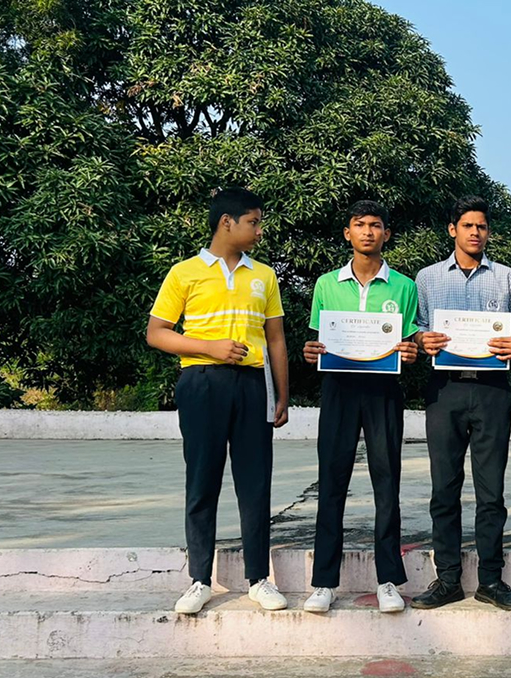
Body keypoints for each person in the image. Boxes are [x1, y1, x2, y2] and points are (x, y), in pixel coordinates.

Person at [146, 187, 290, 614]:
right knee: (202, 480)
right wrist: (209, 348)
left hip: (253, 384)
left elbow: (276, 339)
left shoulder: (264, 275)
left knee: (255, 482)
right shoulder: (184, 273)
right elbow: (157, 333)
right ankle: (199, 580)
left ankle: (258, 579)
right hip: (201, 383)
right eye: (254, 222)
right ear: (227, 222)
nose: (259, 231)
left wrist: (282, 394)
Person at [410, 195, 511, 611]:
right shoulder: (428, 278)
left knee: (491, 490)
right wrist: (421, 339)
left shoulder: (507, 278)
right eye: (467, 225)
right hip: (444, 389)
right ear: (453, 230)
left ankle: (491, 580)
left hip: (492, 390)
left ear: (488, 232)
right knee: (444, 488)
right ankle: (447, 578)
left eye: (481, 226)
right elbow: (415, 326)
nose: (475, 232)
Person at [300, 201, 420, 614]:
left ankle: (388, 579)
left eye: (376, 225)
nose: (368, 232)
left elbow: (410, 341)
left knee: (386, 483)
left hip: (384, 390)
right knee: (331, 482)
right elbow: (318, 340)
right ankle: (324, 582)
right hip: (338, 389)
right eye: (360, 225)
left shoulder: (404, 286)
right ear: (347, 233)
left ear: (387, 234)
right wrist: (311, 351)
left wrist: (410, 352)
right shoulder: (326, 284)